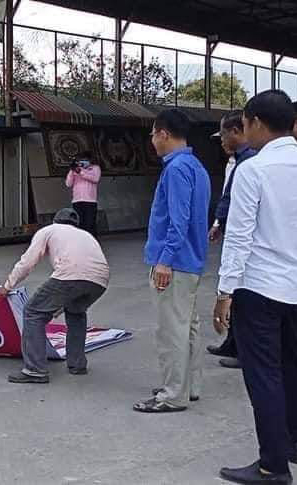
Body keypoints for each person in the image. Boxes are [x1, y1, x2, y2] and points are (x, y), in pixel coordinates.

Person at [214, 90, 297, 485]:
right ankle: (292, 443)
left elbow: (239, 236)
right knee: (292, 368)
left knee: (264, 376)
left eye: (245, 123)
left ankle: (272, 466)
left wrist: (225, 290)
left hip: (260, 288)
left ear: (257, 123)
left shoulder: (253, 170)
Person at [134, 108, 211, 413]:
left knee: (170, 330)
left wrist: (164, 260)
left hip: (174, 263)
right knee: (187, 326)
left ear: (164, 134)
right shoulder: (195, 166)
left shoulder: (176, 169)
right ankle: (188, 385)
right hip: (190, 261)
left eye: (153, 134)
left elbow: (178, 221)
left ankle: (173, 394)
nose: (152, 140)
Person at [0, 208, 109, 384]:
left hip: (71, 274)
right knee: (76, 313)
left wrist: (8, 285)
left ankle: (35, 370)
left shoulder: (49, 230)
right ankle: (77, 364)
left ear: (55, 221)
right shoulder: (85, 235)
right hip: (100, 280)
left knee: (33, 313)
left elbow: (28, 261)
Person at [206, 111, 258, 370]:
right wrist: (219, 222)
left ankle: (243, 350)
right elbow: (227, 196)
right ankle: (232, 343)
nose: (222, 141)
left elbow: (242, 207)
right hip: (233, 230)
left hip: (247, 240)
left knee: (241, 293)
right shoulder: (237, 160)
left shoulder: (252, 163)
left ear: (238, 131)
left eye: (224, 135)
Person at [65, 151, 101, 236]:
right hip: (77, 201)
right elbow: (68, 184)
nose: (82, 161)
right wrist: (72, 171)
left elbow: (95, 179)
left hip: (90, 201)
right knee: (79, 224)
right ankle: (82, 242)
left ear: (90, 160)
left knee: (90, 224)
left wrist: (81, 172)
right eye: (80, 160)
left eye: (85, 160)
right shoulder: (75, 169)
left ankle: (92, 241)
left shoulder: (95, 168)